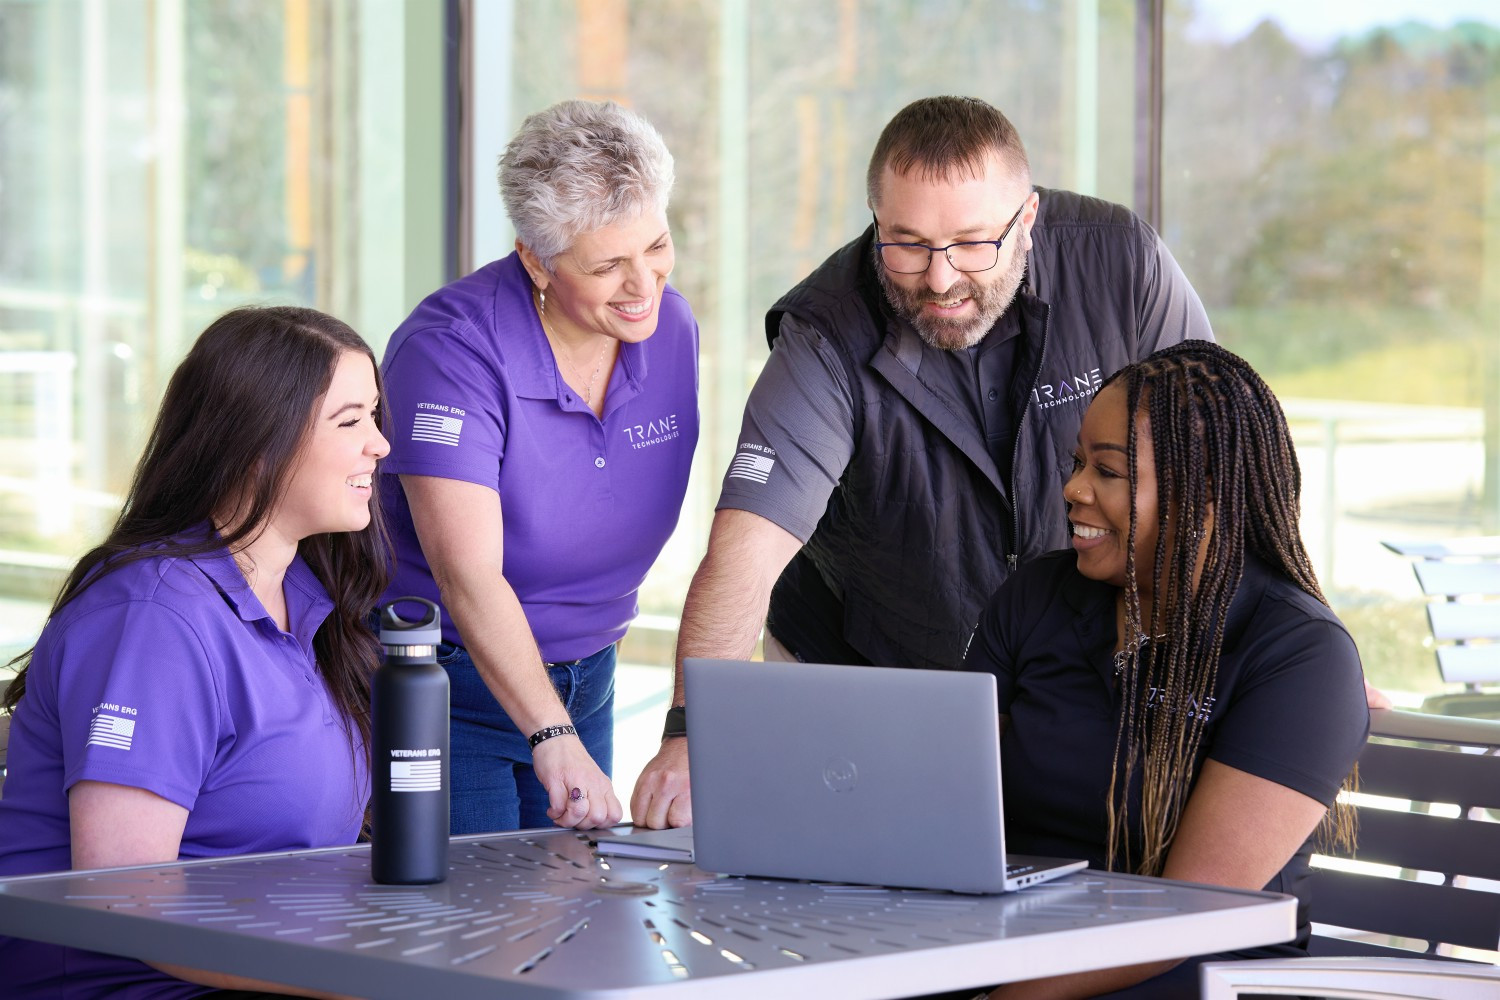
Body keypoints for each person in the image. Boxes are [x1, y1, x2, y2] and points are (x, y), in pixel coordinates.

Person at [631, 95, 1212, 828]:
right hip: (860, 671)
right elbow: (746, 550)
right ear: (877, 223)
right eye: (905, 244)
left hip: (1071, 663)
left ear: (1026, 220)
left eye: (973, 244)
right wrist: (692, 732)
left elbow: (1218, 460)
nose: (939, 280)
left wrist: (1294, 636)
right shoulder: (827, 329)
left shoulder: (1119, 261)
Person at [0, 306, 390, 999]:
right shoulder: (153, 618)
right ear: (258, 443)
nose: (381, 445)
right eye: (351, 420)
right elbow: (130, 904)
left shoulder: (305, 599)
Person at [963, 341, 1369, 999]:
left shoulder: (1299, 655)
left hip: (1193, 970)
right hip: (1015, 943)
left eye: (1108, 472)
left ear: (1203, 490)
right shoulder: (1038, 596)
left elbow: (1189, 915)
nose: (1072, 489)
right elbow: (946, 794)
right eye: (1076, 464)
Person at [378, 99, 698, 834]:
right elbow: (468, 576)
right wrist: (551, 735)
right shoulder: (451, 351)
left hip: (591, 672)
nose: (643, 285)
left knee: (572, 921)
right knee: (478, 930)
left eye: (656, 246)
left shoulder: (671, 328)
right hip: (448, 683)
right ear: (535, 259)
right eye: (609, 265)